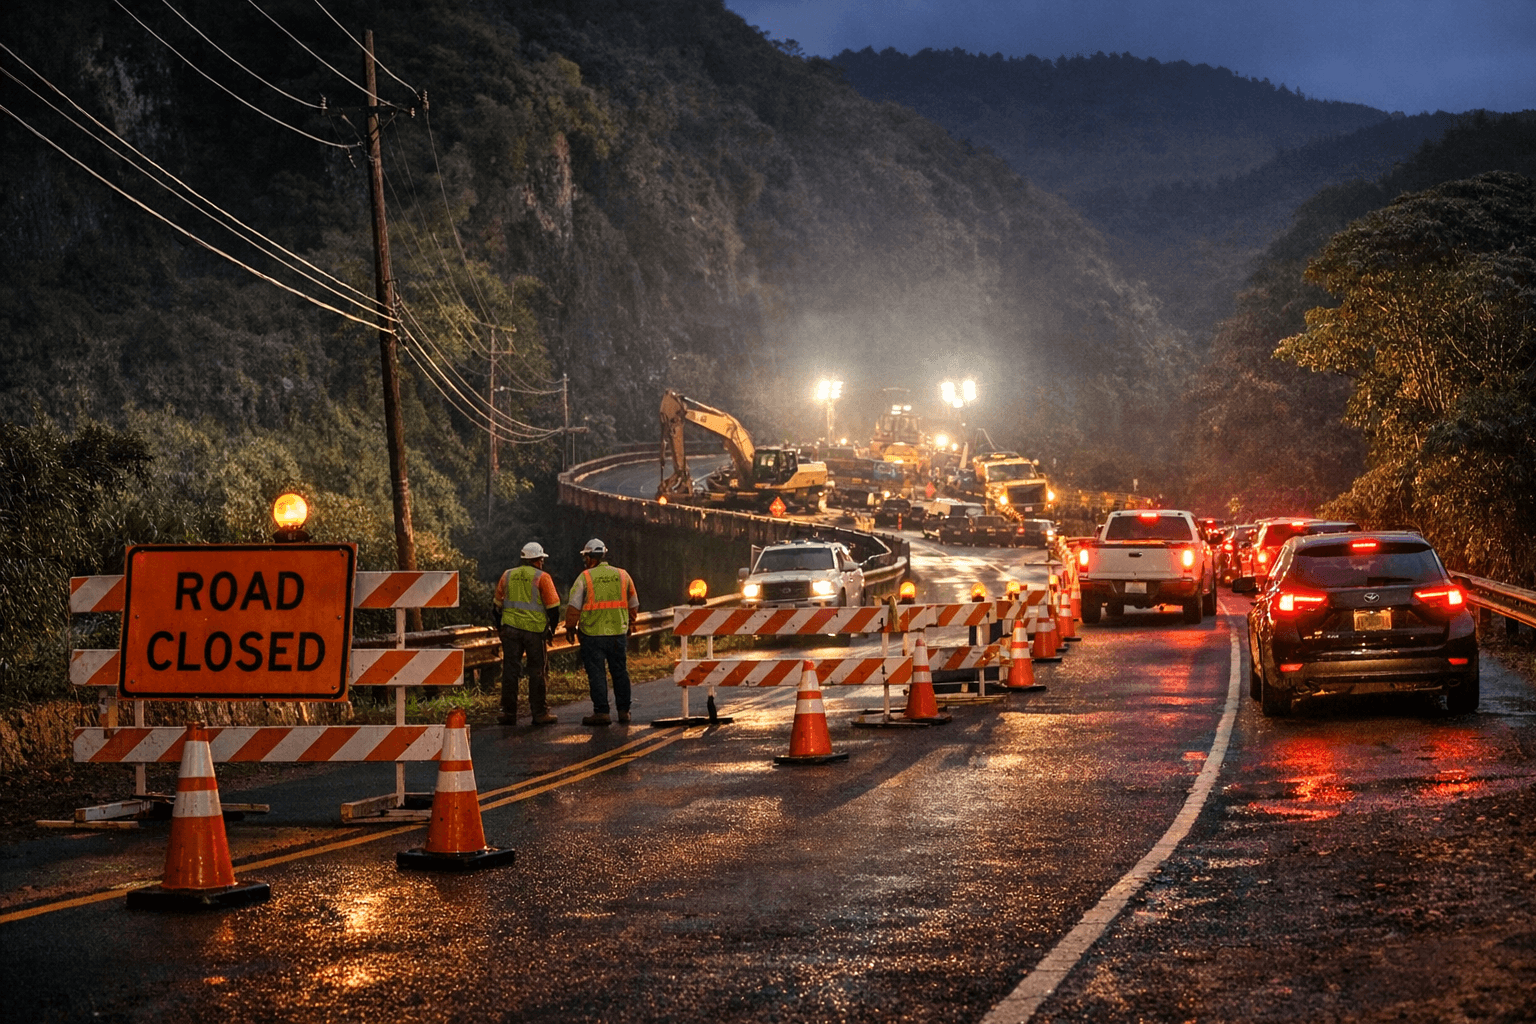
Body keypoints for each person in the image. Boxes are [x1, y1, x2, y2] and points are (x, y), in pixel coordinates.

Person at [564, 538, 640, 726]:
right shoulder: (622, 575)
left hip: (592, 634)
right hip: (617, 633)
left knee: (597, 673)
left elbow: (573, 607)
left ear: (589, 557)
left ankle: (602, 712)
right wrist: (630, 623)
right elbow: (634, 603)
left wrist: (570, 627)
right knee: (620, 672)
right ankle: (624, 711)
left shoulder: (585, 577)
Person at [493, 541, 561, 726]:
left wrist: (500, 628)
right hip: (534, 631)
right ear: (538, 560)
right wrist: (551, 629)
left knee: (510, 671)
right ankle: (539, 713)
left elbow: (496, 607)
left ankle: (508, 713)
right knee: (537, 671)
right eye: (542, 560)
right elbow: (554, 608)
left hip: (510, 630)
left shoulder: (507, 575)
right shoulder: (542, 577)